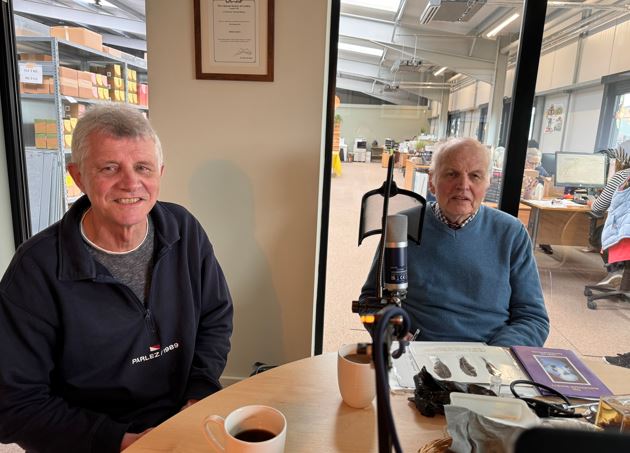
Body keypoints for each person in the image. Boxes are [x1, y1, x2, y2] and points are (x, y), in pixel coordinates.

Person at [0, 104, 234, 453]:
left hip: (180, 421)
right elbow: (14, 405)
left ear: (160, 173)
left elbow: (215, 317)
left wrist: (198, 393)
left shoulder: (184, 229)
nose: (131, 183)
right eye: (110, 168)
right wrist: (121, 442)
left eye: (143, 168)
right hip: (88, 441)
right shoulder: (36, 270)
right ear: (78, 176)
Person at [360, 137, 549, 347]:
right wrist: (389, 330)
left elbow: (533, 318)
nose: (463, 185)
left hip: (490, 357)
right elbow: (370, 301)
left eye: (475, 176)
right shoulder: (402, 226)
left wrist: (497, 355)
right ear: (432, 180)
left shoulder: (511, 233)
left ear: (488, 183)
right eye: (452, 174)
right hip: (417, 352)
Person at [590, 146, 630, 286]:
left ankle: (616, 271)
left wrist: (591, 201)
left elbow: (598, 208)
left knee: (597, 235)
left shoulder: (622, 175)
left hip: (625, 235)